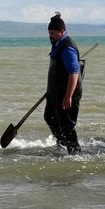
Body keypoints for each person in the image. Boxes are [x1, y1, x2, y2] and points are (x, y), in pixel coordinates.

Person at [44, 12, 83, 154]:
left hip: (67, 93)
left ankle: (75, 154)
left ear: (62, 32)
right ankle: (63, 146)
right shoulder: (57, 44)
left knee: (67, 125)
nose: (50, 35)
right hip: (55, 92)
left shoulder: (67, 48)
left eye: (53, 33)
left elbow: (73, 73)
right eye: (49, 32)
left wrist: (68, 96)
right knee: (49, 117)